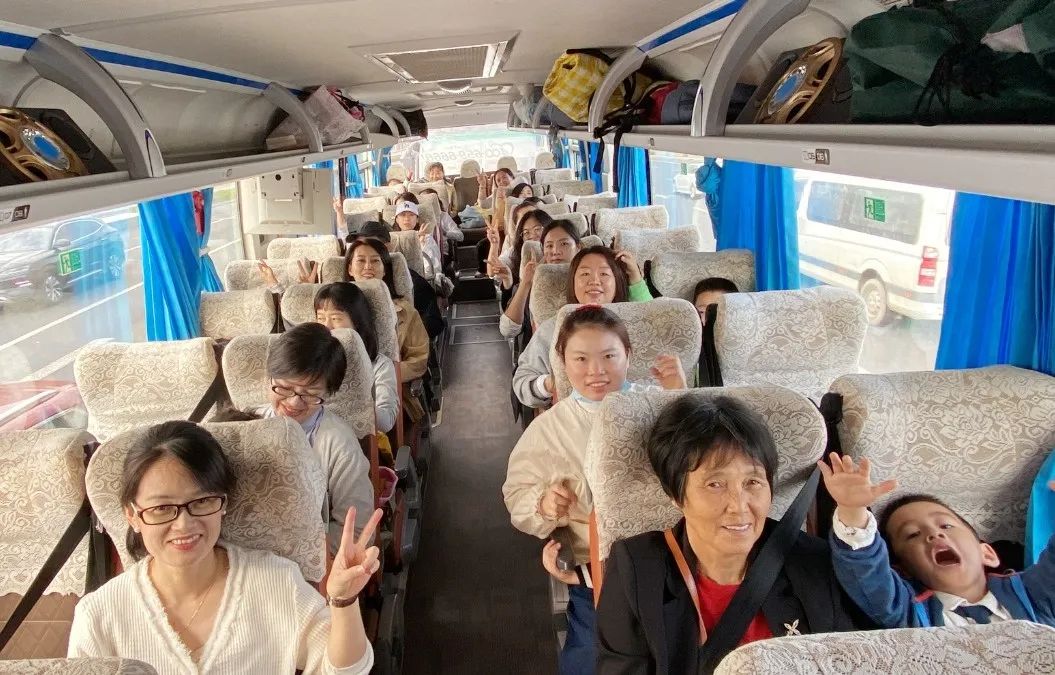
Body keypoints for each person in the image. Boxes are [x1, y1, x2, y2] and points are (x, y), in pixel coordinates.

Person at [68, 420, 381, 673]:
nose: (184, 525)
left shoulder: (276, 581)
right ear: (132, 516)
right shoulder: (99, 615)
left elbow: (344, 670)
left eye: (202, 502)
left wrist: (343, 600)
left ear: (223, 504)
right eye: (162, 508)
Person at [596, 397, 869, 674]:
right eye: (715, 484)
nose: (738, 506)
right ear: (675, 495)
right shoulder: (638, 570)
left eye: (752, 482)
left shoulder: (812, 563)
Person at [503, 306, 687, 675]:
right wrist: (544, 504)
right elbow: (517, 495)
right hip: (599, 570)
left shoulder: (660, 406)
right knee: (590, 660)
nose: (596, 371)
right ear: (562, 362)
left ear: (628, 356)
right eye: (581, 359)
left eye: (609, 356)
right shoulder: (549, 429)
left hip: (678, 561)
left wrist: (681, 399)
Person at [821, 453, 1055, 628]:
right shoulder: (907, 610)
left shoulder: (1034, 595)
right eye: (912, 534)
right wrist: (852, 509)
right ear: (904, 570)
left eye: (946, 526)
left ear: (987, 553)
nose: (934, 535)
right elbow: (867, 571)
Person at [258, 323, 374, 550]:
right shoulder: (246, 425)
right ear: (269, 378)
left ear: (328, 393)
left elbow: (358, 533)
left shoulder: (339, 443)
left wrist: (289, 554)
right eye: (283, 388)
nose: (294, 402)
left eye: (310, 394)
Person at [513, 245, 651, 409]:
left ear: (617, 281)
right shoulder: (554, 327)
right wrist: (550, 383)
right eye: (585, 274)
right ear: (573, 282)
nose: (594, 281)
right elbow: (522, 382)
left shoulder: (637, 323)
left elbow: (654, 320)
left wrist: (636, 280)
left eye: (604, 274)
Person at [314, 282, 399, 435]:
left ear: (357, 322)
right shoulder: (310, 363)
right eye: (320, 318)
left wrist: (356, 402)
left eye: (336, 318)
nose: (327, 327)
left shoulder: (379, 365)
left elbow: (386, 422)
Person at [343, 239, 429, 384]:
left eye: (375, 261)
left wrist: (382, 379)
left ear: (384, 271)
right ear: (350, 269)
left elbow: (419, 360)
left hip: (392, 387)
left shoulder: (404, 311)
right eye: (361, 261)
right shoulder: (332, 311)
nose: (368, 266)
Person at [349, 222, 445, 340]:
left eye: (372, 244)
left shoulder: (411, 282)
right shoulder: (344, 287)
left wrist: (403, 334)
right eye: (359, 244)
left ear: (388, 247)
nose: (364, 249)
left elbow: (434, 323)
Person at [497, 217, 580, 339]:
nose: (555, 251)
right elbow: (508, 330)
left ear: (578, 247)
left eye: (564, 244)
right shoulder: (533, 280)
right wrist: (526, 283)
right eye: (549, 246)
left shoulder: (589, 281)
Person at [393, 193, 442, 282]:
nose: (407, 219)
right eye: (403, 215)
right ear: (396, 219)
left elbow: (433, 268)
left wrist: (422, 245)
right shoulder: (392, 240)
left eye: (411, 215)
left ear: (417, 219)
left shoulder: (426, 238)